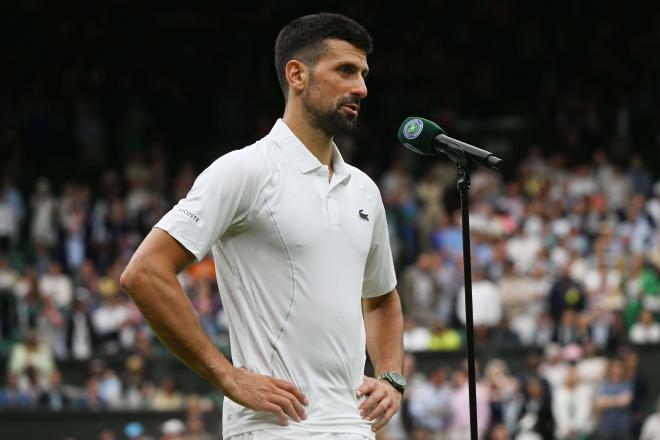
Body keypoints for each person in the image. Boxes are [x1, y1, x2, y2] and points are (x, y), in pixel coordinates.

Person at [121, 12, 404, 440]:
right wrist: (227, 376)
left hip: (353, 427)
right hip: (273, 429)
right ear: (297, 75)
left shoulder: (364, 190)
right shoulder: (242, 171)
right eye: (345, 70)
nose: (361, 88)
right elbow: (145, 272)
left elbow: (381, 299)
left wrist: (391, 378)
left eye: (363, 74)